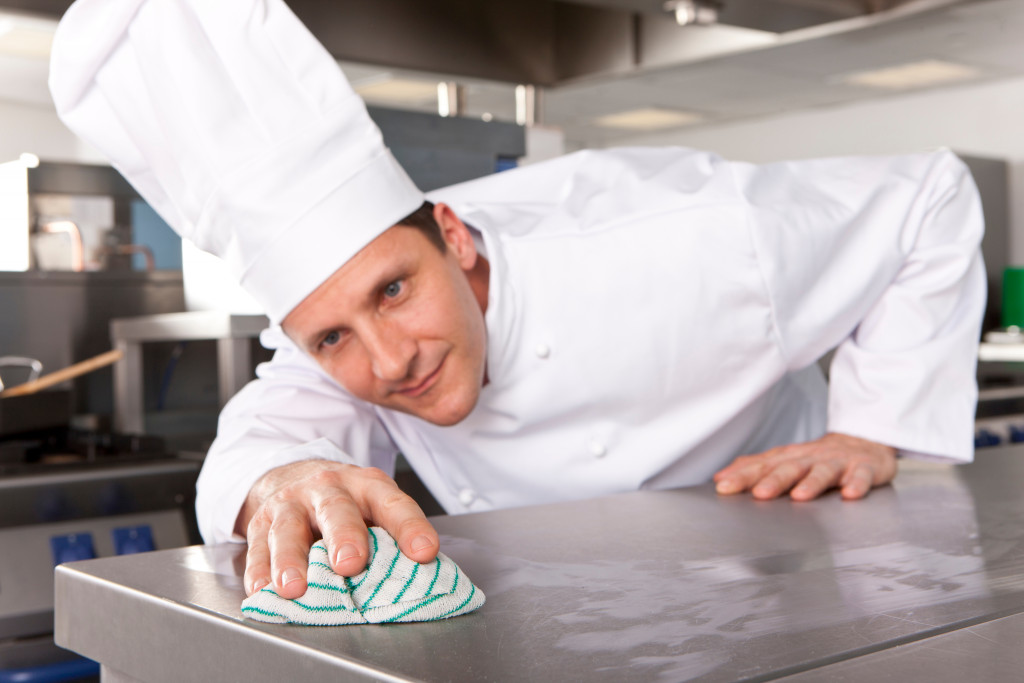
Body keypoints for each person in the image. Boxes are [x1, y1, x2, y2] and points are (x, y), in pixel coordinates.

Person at [50, 0, 985, 602]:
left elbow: (929, 196)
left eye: (396, 291)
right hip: (572, 624)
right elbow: (267, 437)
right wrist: (278, 482)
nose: (387, 360)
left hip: (798, 574)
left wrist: (873, 425)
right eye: (332, 334)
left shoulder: (707, 239)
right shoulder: (344, 344)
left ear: (452, 238)